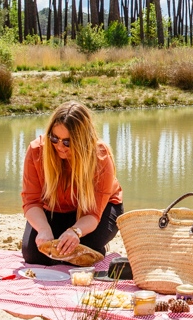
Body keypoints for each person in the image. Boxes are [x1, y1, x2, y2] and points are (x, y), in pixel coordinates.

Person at [21, 100, 123, 265]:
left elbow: (93, 213)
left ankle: (96, 243)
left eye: (67, 142)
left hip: (97, 211)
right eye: (54, 138)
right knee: (34, 256)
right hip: (54, 208)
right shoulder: (36, 150)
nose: (60, 146)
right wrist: (43, 229)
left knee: (78, 254)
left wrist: (75, 231)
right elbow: (31, 201)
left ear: (83, 140)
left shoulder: (100, 157)